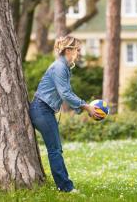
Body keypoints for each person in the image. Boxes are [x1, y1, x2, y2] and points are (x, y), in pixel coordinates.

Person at [29, 36, 102, 192]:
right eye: (78, 50)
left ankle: (64, 186)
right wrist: (86, 106)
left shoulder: (64, 67)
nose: (79, 53)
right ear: (68, 50)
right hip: (41, 110)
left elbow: (66, 93)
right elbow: (66, 94)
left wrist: (83, 107)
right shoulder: (59, 67)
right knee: (55, 150)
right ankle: (65, 187)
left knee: (55, 149)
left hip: (44, 110)